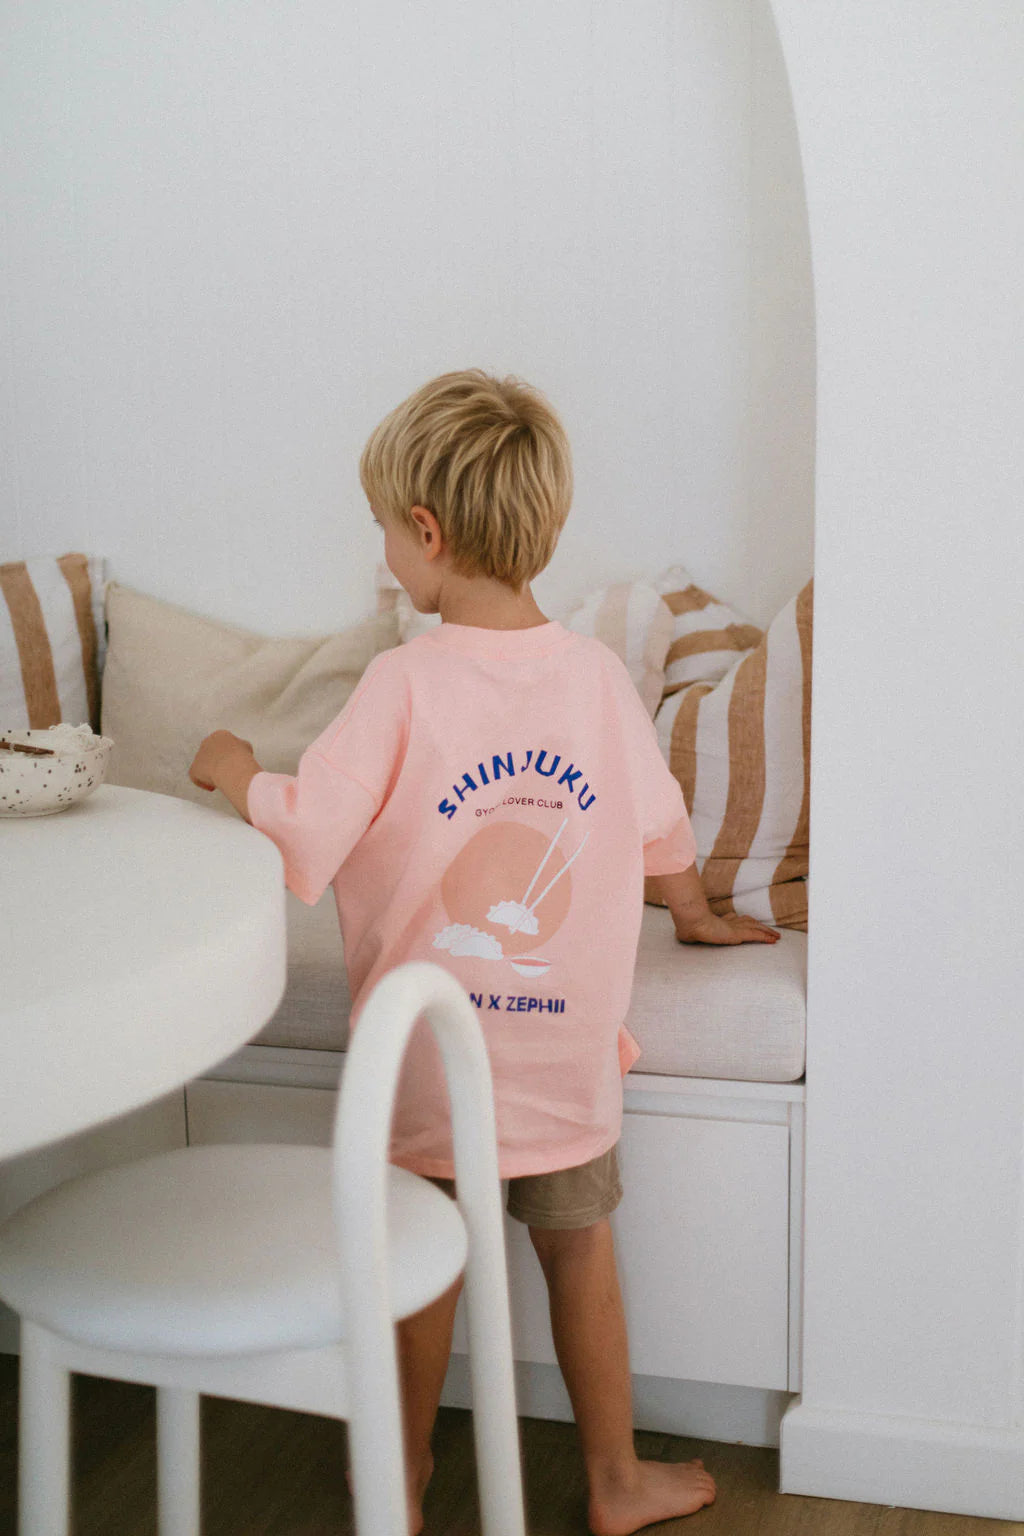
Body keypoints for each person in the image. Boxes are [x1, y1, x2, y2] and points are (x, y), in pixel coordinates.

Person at [189, 369, 779, 1535]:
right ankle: (613, 1479)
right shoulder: (600, 682)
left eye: (382, 532)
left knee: (421, 1275)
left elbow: (311, 825)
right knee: (580, 1256)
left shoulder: (402, 682)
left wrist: (231, 768)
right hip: (563, 1053)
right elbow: (660, 827)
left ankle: (397, 1484)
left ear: (426, 532)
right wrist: (699, 915)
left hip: (425, 1057)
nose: (382, 558)